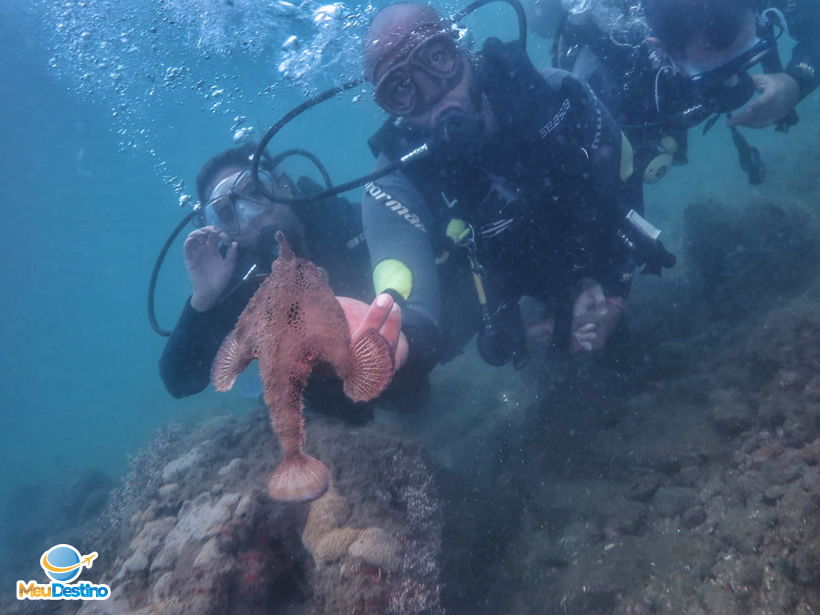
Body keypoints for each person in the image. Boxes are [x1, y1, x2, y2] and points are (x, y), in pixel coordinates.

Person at [359, 2, 663, 376]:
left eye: (436, 57)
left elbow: (624, 178)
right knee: (410, 393)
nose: (435, 96)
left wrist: (614, 292)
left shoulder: (557, 94)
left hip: (582, 244)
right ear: (390, 108)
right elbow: (405, 295)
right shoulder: (396, 182)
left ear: (462, 49)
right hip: (497, 285)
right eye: (400, 88)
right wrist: (394, 343)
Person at [159, 143, 406, 423]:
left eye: (254, 192)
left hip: (405, 364)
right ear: (222, 231)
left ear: (283, 185)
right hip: (331, 410)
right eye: (228, 214)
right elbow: (180, 382)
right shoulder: (241, 284)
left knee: (414, 398)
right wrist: (203, 299)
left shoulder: (341, 221)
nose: (251, 215)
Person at [542, 0, 819, 184]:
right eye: (714, 72)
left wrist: (796, 81)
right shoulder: (621, 70)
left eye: (748, 55)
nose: (735, 82)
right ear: (661, 51)